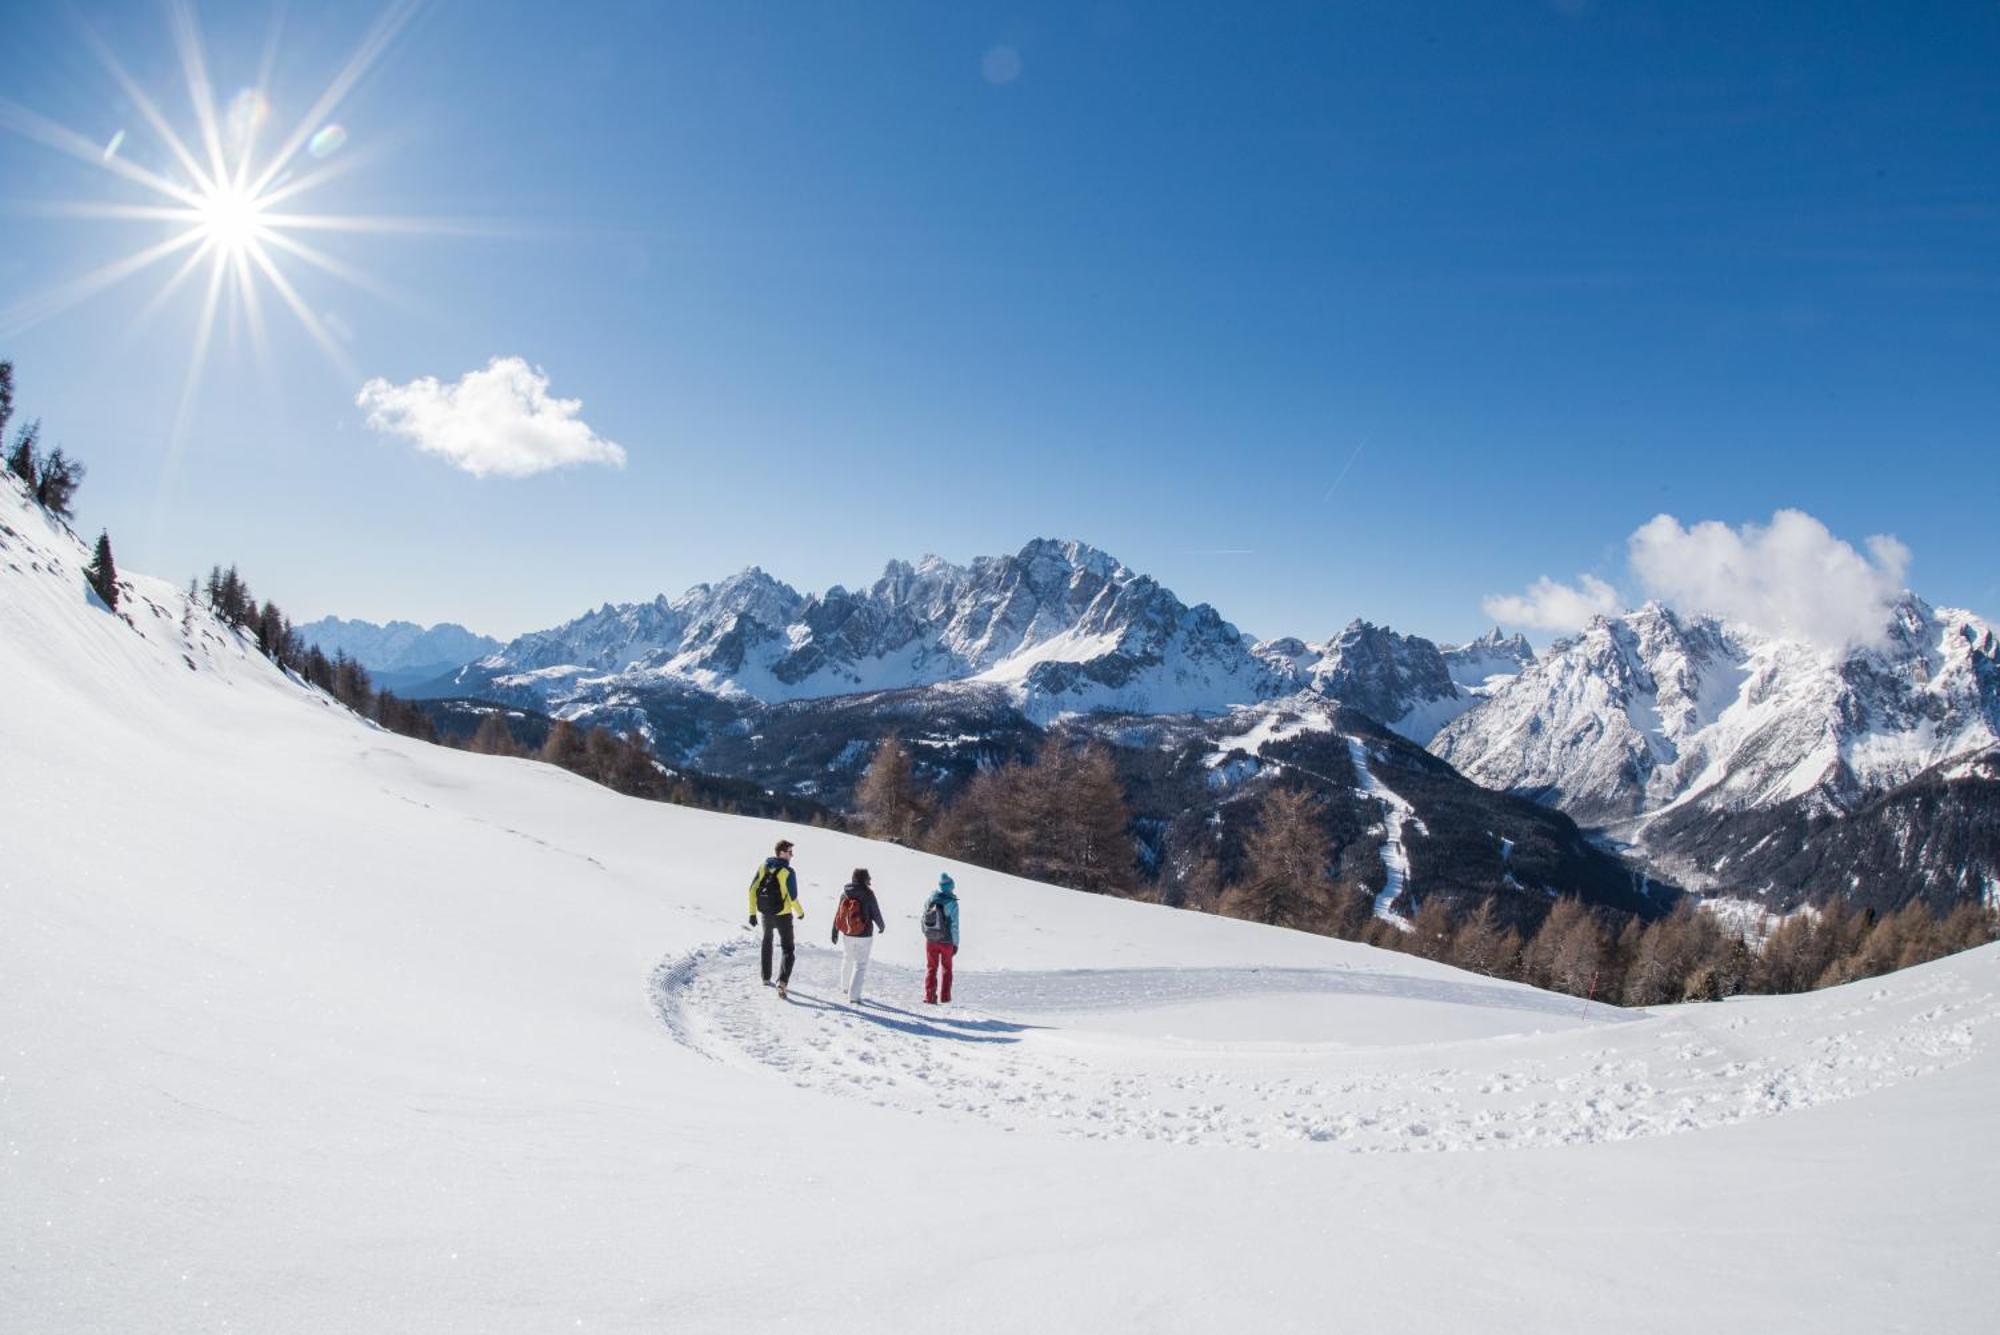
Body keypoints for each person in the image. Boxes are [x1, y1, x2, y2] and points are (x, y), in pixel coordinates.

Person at [746, 839, 805, 998]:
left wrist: (752, 913)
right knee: (788, 949)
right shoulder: (788, 872)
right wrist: (800, 913)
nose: (792, 855)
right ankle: (782, 982)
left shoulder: (763, 866)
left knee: (767, 942)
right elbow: (792, 898)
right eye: (790, 852)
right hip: (783, 915)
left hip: (765, 913)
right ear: (781, 853)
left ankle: (766, 978)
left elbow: (752, 890)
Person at [829, 868, 887, 1004]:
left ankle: (844, 987)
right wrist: (881, 926)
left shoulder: (845, 893)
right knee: (860, 965)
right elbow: (875, 912)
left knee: (847, 958)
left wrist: (835, 930)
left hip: (848, 933)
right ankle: (854, 996)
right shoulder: (868, 893)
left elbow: (839, 913)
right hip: (864, 934)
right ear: (864, 879)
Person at [921, 872, 960, 1005]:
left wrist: (926, 934)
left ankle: (929, 996)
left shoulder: (931, 898)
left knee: (931, 967)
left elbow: (923, 918)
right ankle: (945, 997)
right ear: (950, 886)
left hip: (931, 940)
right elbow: (954, 925)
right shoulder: (952, 903)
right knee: (947, 968)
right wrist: (955, 943)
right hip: (946, 941)